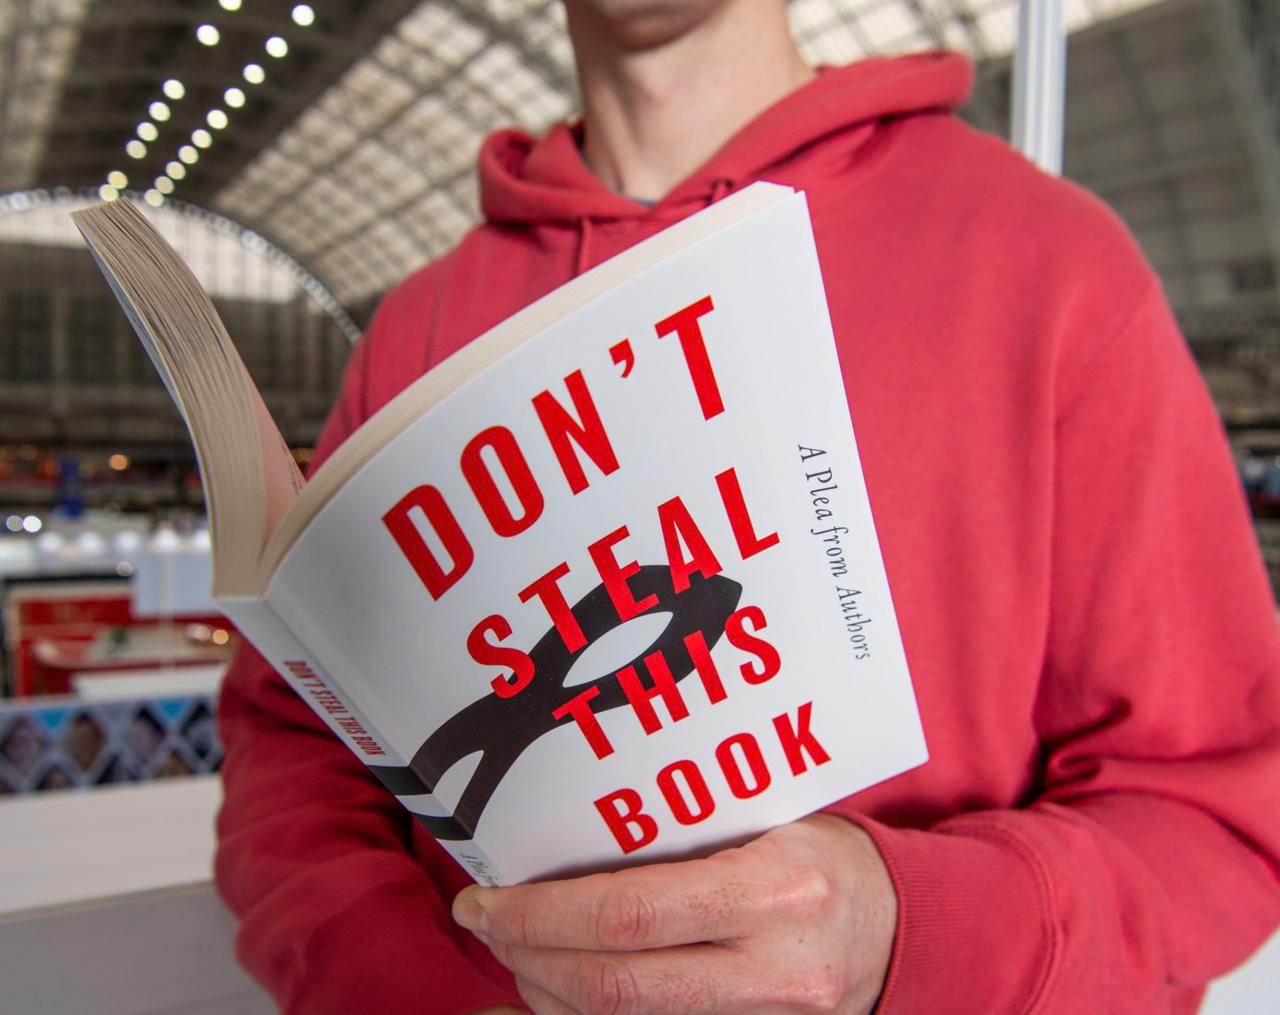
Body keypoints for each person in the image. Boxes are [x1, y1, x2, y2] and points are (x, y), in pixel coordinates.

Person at [214, 1, 1280, 1012]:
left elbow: (1216, 817)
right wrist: (419, 992)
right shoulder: (415, 336)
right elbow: (298, 754)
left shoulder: (1048, 266)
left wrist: (914, 939)